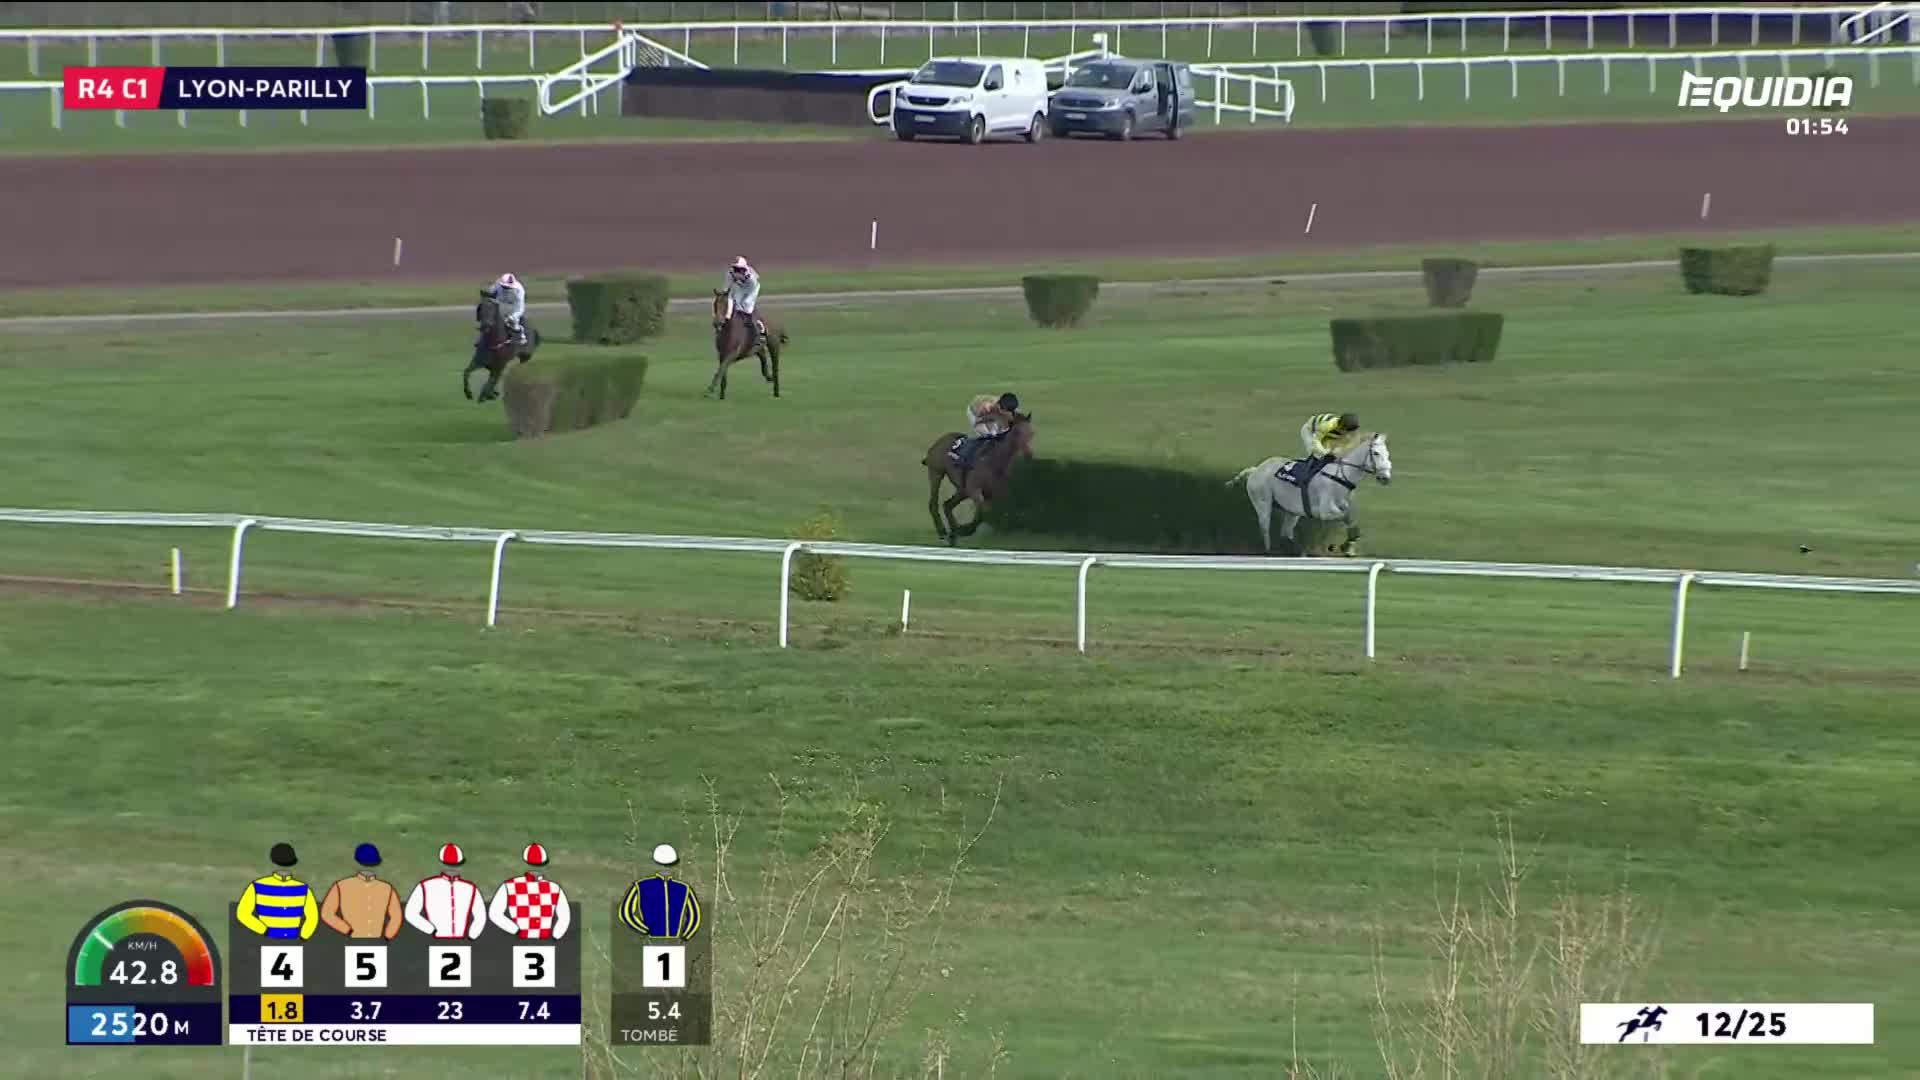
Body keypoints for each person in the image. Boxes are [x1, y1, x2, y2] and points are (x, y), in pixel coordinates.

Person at [952, 392, 1020, 470]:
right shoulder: (988, 408)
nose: (1008, 413)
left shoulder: (1010, 408)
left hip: (993, 415)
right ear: (1000, 407)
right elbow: (980, 421)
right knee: (988, 436)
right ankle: (963, 454)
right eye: (1006, 411)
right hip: (977, 414)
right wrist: (991, 432)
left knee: (1002, 433)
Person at [1294, 411, 1360, 488]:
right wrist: (1325, 453)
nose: (1349, 434)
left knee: (1332, 454)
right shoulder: (1327, 426)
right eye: (1348, 431)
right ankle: (1307, 477)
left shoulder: (1349, 428)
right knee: (1317, 455)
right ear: (1342, 427)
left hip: (1328, 434)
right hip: (1310, 431)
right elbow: (1316, 442)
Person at [723, 256, 765, 351]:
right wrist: (725, 292)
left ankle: (759, 328)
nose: (736, 271)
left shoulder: (751, 279)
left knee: (746, 304)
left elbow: (750, 289)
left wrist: (743, 301)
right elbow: (726, 287)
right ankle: (731, 321)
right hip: (740, 287)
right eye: (735, 268)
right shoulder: (729, 274)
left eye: (739, 269)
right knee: (734, 301)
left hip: (751, 289)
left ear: (744, 269)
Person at [488, 272, 528, 347]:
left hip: (513, 306)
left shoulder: (520, 291)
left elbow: (520, 309)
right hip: (499, 303)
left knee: (514, 322)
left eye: (509, 287)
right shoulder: (497, 284)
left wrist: (512, 317)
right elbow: (491, 293)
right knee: (487, 320)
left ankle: (521, 337)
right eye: (505, 287)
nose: (506, 288)